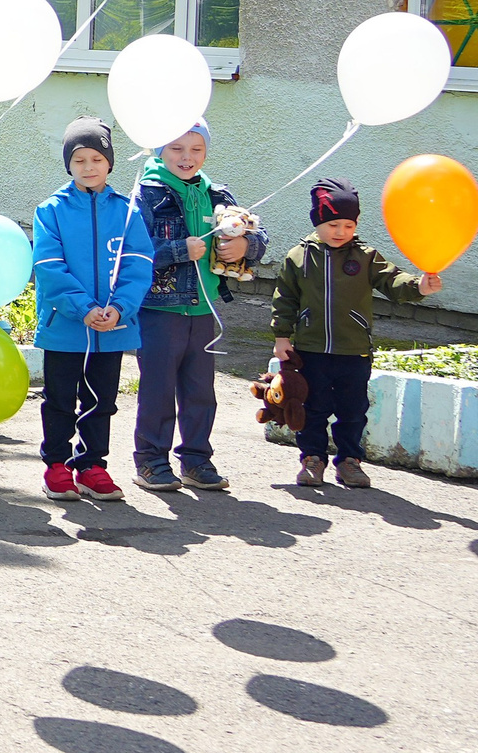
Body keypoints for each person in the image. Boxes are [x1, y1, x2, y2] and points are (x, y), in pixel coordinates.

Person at [270, 178, 437, 490]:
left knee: (353, 410)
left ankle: (349, 461)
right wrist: (282, 337)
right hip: (311, 351)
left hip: (354, 352)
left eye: (349, 225)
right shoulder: (299, 257)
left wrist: (419, 286)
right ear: (317, 222)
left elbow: (393, 281)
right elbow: (285, 298)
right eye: (333, 224)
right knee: (312, 408)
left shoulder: (366, 256)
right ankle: (312, 459)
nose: (341, 232)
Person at [130, 122, 263, 492]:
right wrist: (177, 251)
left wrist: (245, 248)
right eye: (176, 148)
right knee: (158, 389)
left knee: (200, 390)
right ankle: (151, 461)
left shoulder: (216, 193)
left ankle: (196, 459)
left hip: (204, 311)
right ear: (159, 151)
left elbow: (256, 232)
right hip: (160, 310)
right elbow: (132, 251)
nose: (187, 157)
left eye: (196, 149)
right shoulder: (146, 194)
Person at [29, 117, 154, 502]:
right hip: (66, 328)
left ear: (110, 162)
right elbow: (49, 267)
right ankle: (56, 466)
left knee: (102, 400)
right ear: (68, 164)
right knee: (60, 399)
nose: (88, 167)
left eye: (96, 158)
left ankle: (92, 466)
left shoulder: (128, 210)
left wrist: (119, 309)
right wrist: (82, 309)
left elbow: (139, 264)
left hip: (112, 328)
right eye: (79, 159)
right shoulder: (51, 210)